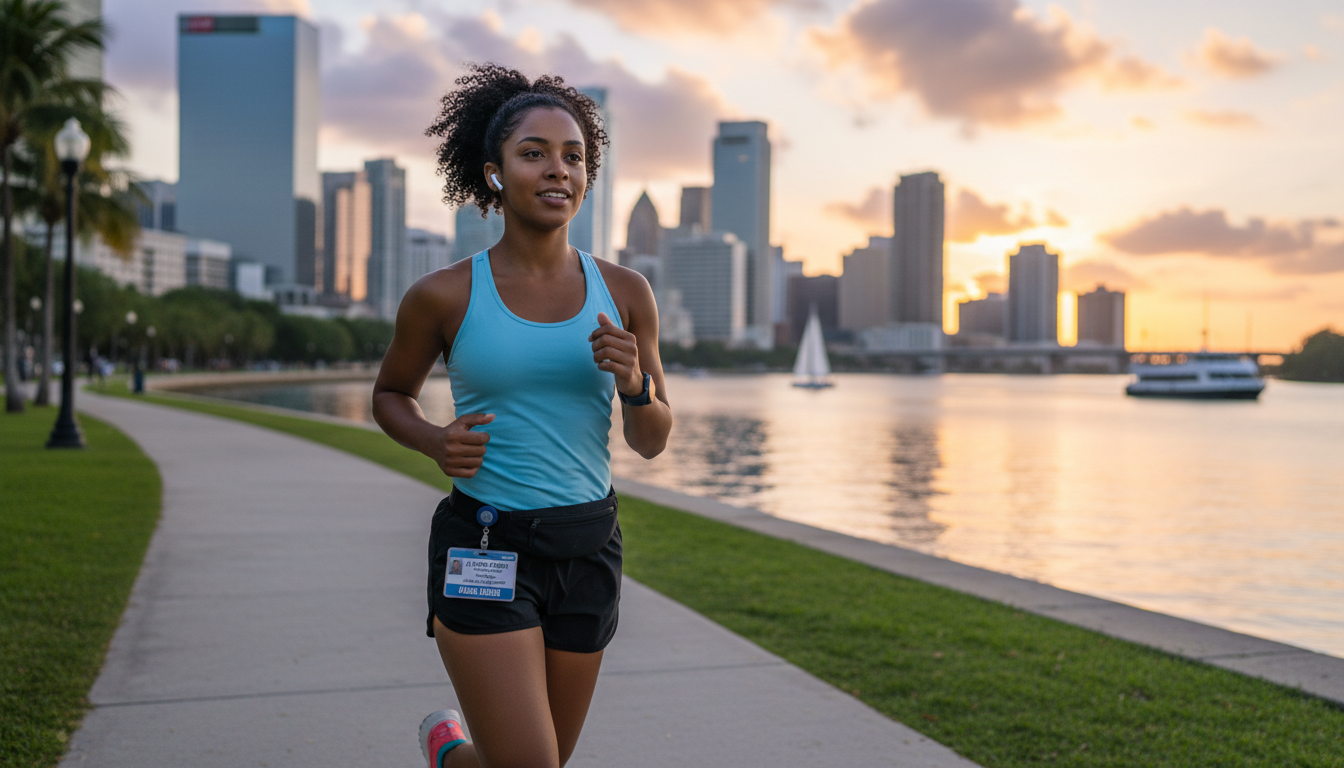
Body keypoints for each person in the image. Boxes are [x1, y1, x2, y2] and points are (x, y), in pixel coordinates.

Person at [372, 63, 672, 768]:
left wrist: (635, 384)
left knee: (538, 761)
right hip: (486, 545)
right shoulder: (444, 295)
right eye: (533, 153)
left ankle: (451, 755)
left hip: (589, 547)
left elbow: (652, 440)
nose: (557, 169)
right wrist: (432, 440)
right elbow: (389, 394)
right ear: (495, 174)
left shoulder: (626, 292)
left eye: (573, 156)